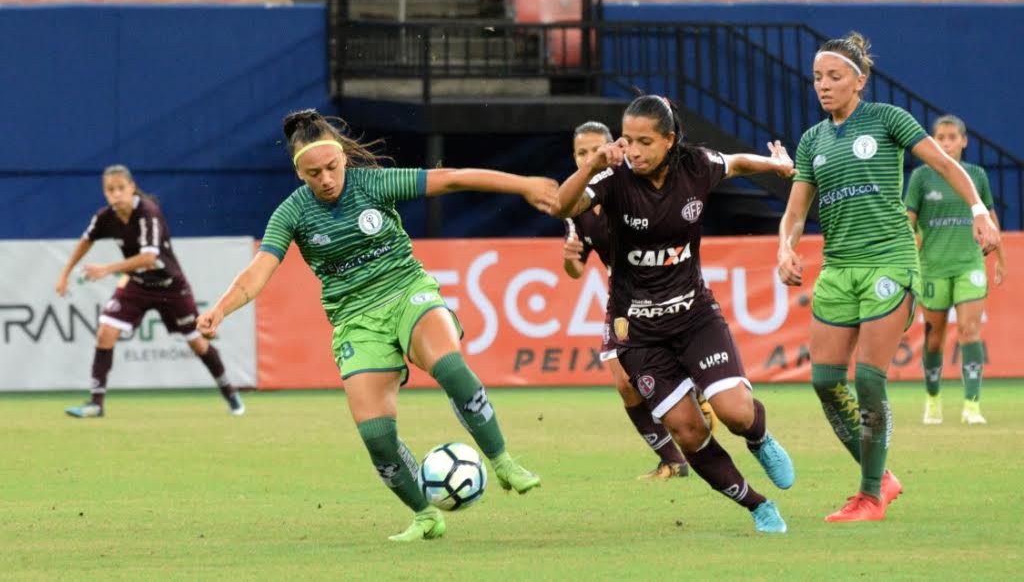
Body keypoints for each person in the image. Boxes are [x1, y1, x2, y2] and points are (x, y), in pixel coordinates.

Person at [197, 109, 557, 542]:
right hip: (354, 320)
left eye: (332, 167)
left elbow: (453, 178)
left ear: (343, 159)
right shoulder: (291, 214)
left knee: (450, 367)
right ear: (299, 174)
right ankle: (425, 515)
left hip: (406, 291)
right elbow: (259, 270)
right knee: (377, 436)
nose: (327, 179)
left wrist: (525, 185)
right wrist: (220, 309)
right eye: (314, 173)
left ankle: (502, 462)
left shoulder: (372, 184)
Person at [777, 33, 1001, 523]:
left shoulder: (886, 119)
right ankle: (883, 477)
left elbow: (944, 164)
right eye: (818, 77)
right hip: (838, 268)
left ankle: (869, 496)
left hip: (890, 261)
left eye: (835, 76)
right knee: (824, 379)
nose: (824, 85)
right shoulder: (812, 140)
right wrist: (785, 247)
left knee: (869, 379)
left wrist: (979, 211)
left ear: (860, 80)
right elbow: (796, 211)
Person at [555, 95, 797, 534]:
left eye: (645, 141)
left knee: (736, 413)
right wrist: (592, 166)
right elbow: (561, 206)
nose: (634, 150)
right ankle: (758, 505)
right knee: (687, 431)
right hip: (639, 333)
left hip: (694, 316)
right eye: (627, 140)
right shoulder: (611, 178)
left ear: (669, 140)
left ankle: (760, 439)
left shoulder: (697, 166)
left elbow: (737, 163)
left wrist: (775, 164)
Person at [562, 120, 716, 480]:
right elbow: (575, 269)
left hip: (669, 287)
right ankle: (672, 460)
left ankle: (694, 387)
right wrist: (570, 258)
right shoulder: (580, 203)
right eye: (581, 153)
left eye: (596, 149)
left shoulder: (632, 185)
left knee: (663, 360)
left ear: (616, 147)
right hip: (625, 297)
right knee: (623, 383)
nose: (590, 157)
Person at [56, 165, 244, 418]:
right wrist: (65, 273)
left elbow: (148, 257)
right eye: (110, 190)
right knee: (105, 332)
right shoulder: (105, 217)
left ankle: (229, 391)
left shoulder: (148, 212)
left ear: (132, 188)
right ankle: (95, 403)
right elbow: (86, 240)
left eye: (121, 188)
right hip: (137, 285)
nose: (116, 194)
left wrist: (107, 269)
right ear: (105, 193)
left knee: (197, 344)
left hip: (170, 286)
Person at [906, 115, 1007, 426]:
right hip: (933, 268)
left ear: (964, 141)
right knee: (934, 340)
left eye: (952, 137)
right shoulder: (922, 177)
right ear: (933, 142)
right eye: (940, 137)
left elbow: (988, 217)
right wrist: (907, 262)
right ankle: (933, 399)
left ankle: (972, 405)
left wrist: (1000, 258)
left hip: (969, 265)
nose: (946, 143)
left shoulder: (976, 175)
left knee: (969, 332)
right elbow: (908, 224)